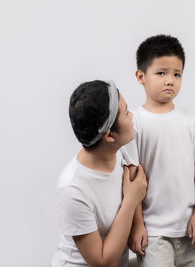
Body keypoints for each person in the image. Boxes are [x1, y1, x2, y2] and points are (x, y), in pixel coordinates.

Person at [121, 35, 195, 267]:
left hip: (194, 228)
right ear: (141, 76)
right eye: (161, 73)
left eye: (177, 74)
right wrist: (137, 225)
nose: (170, 81)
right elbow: (132, 176)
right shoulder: (134, 123)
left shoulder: (191, 121)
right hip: (154, 232)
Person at [51, 80, 148, 267]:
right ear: (110, 135)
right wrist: (130, 201)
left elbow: (138, 178)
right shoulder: (72, 189)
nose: (132, 116)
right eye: (126, 112)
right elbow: (103, 262)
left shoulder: (125, 145)